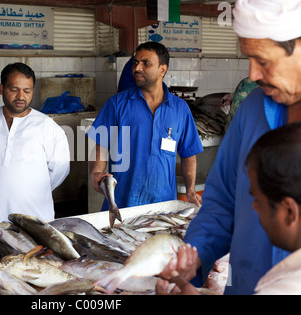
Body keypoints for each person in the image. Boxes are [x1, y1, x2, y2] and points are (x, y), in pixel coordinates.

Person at [181, 0, 301, 295]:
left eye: (263, 61)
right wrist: (193, 257)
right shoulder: (252, 109)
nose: (253, 75)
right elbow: (222, 201)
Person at [156, 122, 301, 295]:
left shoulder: (282, 288)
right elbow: (221, 205)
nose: (250, 208)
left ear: (290, 212)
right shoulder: (250, 109)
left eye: (257, 201)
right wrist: (195, 254)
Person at [86, 42, 203, 212]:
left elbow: (189, 154)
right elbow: (100, 144)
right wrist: (96, 172)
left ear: (162, 70)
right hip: (121, 204)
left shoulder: (180, 109)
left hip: (163, 205)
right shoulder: (117, 104)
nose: (137, 68)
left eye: (145, 63)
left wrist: (190, 190)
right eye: (135, 62)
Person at [0, 63, 70, 231]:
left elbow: (59, 170)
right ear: (1, 89)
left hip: (35, 223)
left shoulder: (48, 127)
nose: (21, 96)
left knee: (34, 257)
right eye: (14, 89)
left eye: (27, 91)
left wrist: (27, 188)